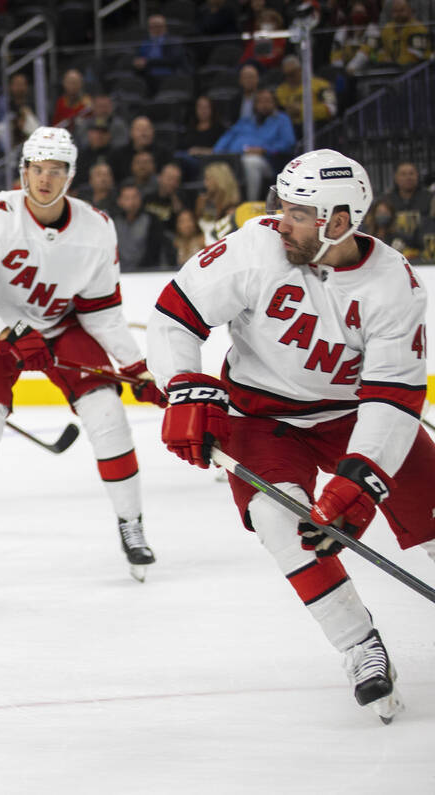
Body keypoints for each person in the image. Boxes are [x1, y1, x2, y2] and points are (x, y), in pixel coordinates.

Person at [146, 149, 434, 724]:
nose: (282, 219)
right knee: (283, 523)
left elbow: (394, 398)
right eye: (283, 205)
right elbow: (176, 315)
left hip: (352, 412)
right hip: (259, 416)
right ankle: (360, 646)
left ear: (339, 221)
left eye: (299, 212)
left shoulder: (392, 285)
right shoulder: (255, 247)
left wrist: (362, 481)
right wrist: (185, 387)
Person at [0, 128, 167, 592]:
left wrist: (135, 368)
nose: (45, 179)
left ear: (70, 176)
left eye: (55, 170)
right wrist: (7, 332)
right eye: (37, 169)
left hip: (61, 328)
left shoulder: (97, 227)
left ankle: (131, 525)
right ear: (23, 172)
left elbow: (101, 313)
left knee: (108, 412)